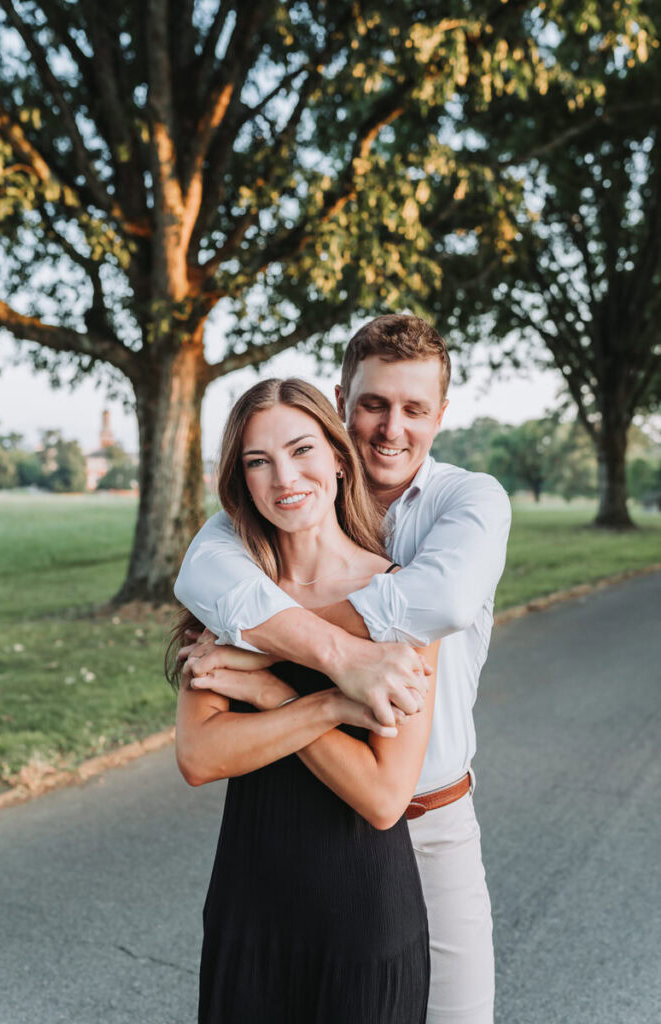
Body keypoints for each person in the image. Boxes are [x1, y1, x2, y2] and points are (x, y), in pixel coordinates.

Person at [176, 314, 512, 1024]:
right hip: (286, 842)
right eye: (372, 404)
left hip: (430, 815)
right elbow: (202, 574)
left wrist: (263, 662)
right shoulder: (256, 524)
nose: (391, 428)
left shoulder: (465, 503)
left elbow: (440, 599)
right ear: (340, 406)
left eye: (414, 409)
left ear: (439, 416)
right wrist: (332, 680)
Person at [169, 377, 438, 1024]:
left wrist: (265, 690)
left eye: (300, 450)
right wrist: (324, 706)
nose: (283, 477)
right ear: (240, 481)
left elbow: (381, 797)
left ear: (340, 459)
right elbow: (200, 756)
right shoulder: (226, 599)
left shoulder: (400, 598)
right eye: (257, 462)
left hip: (365, 919)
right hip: (249, 909)